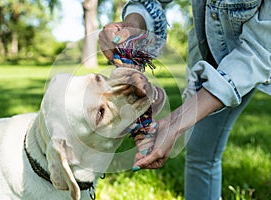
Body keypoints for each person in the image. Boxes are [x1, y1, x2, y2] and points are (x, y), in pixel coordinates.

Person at [99, 0, 271, 199]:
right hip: (206, 51)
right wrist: (134, 25)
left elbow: (261, 51)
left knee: (202, 151)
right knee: (199, 150)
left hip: (251, 57)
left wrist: (175, 123)